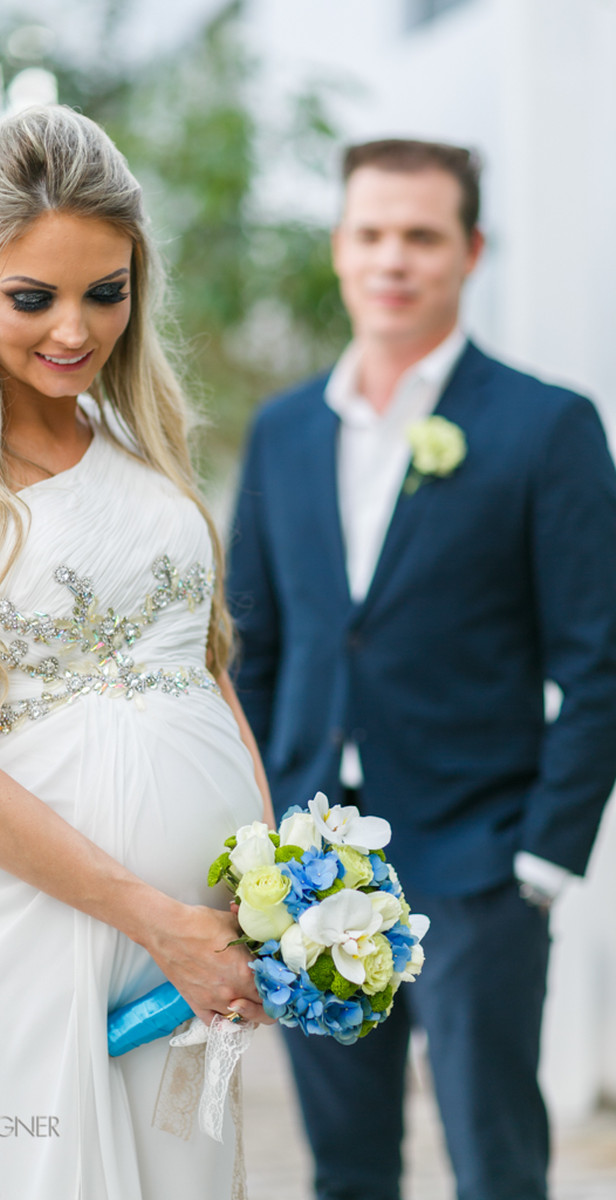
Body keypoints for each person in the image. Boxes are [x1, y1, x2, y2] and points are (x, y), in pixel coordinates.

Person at [0, 104, 274, 1200]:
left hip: (187, 943)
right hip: (17, 934)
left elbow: (205, 663)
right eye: (30, 299)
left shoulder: (145, 442)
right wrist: (159, 922)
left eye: (106, 292)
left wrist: (271, 887)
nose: (74, 331)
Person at [227, 137, 616, 1200]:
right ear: (339, 248)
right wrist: (255, 833)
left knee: (495, 1163)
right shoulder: (282, 432)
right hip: (310, 870)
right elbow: (251, 653)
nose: (391, 257)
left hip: (479, 862)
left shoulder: (545, 426)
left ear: (469, 250)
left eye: (420, 235)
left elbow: (598, 664)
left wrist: (538, 864)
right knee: (345, 1168)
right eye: (369, 233)